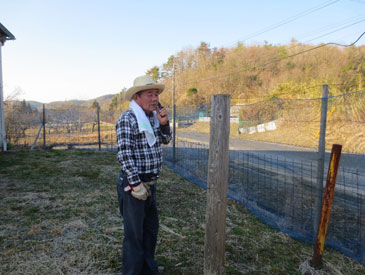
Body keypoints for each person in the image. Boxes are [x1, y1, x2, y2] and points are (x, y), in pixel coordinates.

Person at [115, 75, 172, 274]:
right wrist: (135, 183)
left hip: (151, 183)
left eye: (156, 94)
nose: (155, 98)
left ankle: (148, 268)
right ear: (137, 97)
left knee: (150, 229)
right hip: (134, 185)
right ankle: (132, 271)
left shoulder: (152, 118)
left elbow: (165, 140)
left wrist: (164, 123)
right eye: (150, 94)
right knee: (134, 234)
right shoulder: (128, 119)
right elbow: (124, 153)